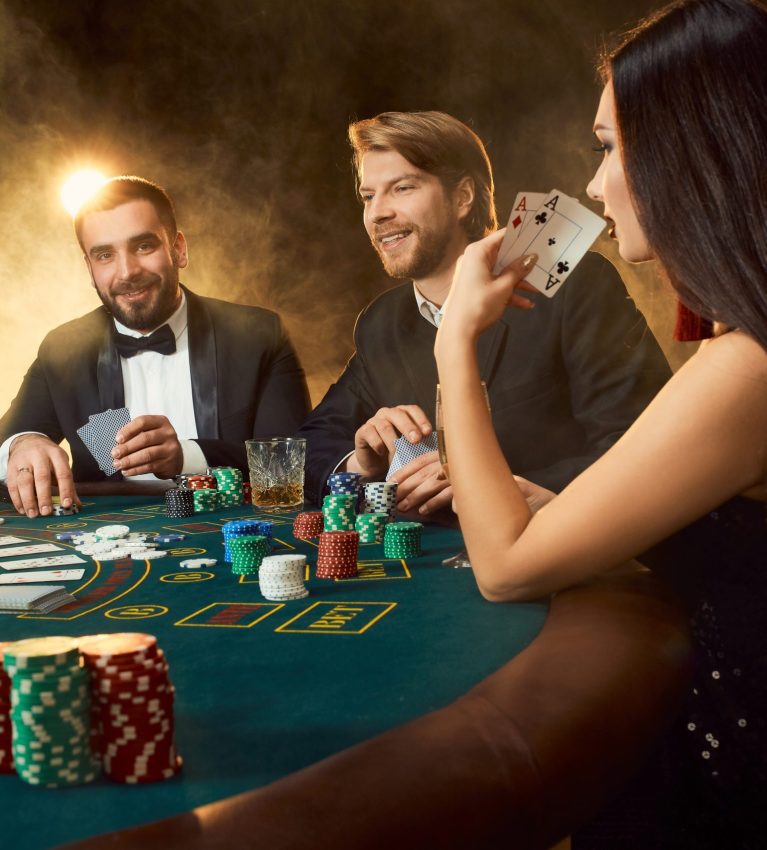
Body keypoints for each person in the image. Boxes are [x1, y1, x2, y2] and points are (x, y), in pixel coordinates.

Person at [434, 0, 767, 844]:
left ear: (687, 152)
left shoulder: (748, 368)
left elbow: (504, 570)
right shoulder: (742, 352)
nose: (589, 185)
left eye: (608, 147)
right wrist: (563, 509)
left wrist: (455, 343)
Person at [298, 111, 671, 514]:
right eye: (369, 196)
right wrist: (362, 463)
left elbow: (647, 446)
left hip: (553, 548)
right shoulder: (382, 322)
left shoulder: (573, 285)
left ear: (462, 198)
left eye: (402, 188)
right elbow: (307, 449)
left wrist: (502, 491)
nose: (378, 213)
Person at [0, 176, 310, 518]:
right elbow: (9, 438)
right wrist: (22, 443)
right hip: (106, 543)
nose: (127, 271)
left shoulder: (258, 335)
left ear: (178, 249)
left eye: (144, 246)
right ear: (89, 269)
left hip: (231, 533)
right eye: (105, 255)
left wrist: (185, 456)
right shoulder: (63, 349)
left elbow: (290, 465)